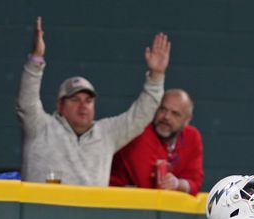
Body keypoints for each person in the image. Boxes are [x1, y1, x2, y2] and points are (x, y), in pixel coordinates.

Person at [16, 16, 169, 186]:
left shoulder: (106, 134)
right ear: (60, 106)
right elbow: (26, 101)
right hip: (39, 212)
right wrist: (36, 59)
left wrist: (156, 76)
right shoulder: (41, 127)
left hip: (90, 213)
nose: (83, 106)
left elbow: (142, 114)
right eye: (75, 99)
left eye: (88, 100)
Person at [109, 89, 203, 193]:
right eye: (162, 109)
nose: (166, 117)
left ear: (187, 120)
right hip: (116, 202)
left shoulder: (192, 136)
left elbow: (196, 184)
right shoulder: (140, 131)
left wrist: (177, 183)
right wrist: (178, 185)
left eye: (175, 114)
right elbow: (150, 187)